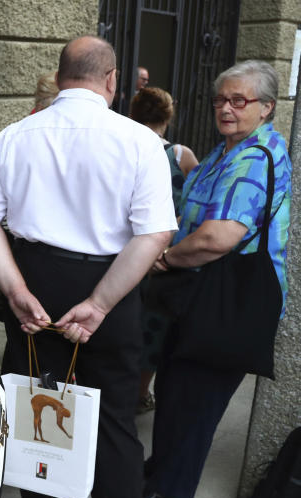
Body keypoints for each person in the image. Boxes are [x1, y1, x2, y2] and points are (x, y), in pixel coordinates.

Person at [0, 36, 176, 498]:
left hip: (33, 282)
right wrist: (102, 302)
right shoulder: (140, 142)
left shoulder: (13, 136)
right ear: (111, 82)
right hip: (112, 280)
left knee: (39, 412)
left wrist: (14, 289)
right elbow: (155, 233)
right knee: (113, 425)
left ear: (60, 77)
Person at [142, 60, 292, 498]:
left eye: (238, 100)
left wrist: (163, 260)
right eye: (220, 100)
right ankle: (161, 471)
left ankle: (171, 490)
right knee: (176, 387)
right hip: (198, 294)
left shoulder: (252, 157)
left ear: (265, 107)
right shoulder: (228, 149)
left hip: (227, 299)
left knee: (195, 398)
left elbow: (218, 237)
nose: (226, 109)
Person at [128, 86, 198, 414]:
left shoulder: (125, 146)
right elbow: (196, 201)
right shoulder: (181, 156)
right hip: (161, 254)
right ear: (168, 117)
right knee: (152, 325)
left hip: (125, 249)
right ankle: (141, 393)